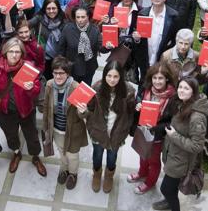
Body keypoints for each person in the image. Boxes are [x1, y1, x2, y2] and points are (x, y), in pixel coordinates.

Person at [0, 38, 47, 176]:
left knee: (32, 136)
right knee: (11, 135)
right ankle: (17, 153)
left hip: (26, 110)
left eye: (17, 52)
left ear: (22, 53)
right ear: (5, 53)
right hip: (5, 111)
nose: (14, 55)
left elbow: (37, 90)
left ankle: (35, 157)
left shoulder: (28, 67)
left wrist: (31, 88)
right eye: (11, 51)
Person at [151, 77, 208, 211]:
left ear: (193, 92)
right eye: (180, 87)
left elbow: (197, 146)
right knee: (171, 188)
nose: (181, 91)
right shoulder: (182, 103)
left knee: (165, 188)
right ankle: (168, 201)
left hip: (181, 161)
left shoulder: (197, 117)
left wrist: (174, 136)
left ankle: (173, 206)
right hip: (172, 154)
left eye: (186, 88)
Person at [77, 60, 136, 194]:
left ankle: (109, 176)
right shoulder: (96, 88)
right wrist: (82, 112)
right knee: (97, 155)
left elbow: (131, 112)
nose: (112, 79)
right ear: (104, 75)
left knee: (112, 157)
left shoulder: (129, 91)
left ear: (121, 77)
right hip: (98, 131)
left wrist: (136, 109)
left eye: (116, 76)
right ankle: (97, 175)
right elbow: (89, 110)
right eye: (109, 76)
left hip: (117, 134)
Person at [127, 64, 176, 194]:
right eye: (155, 78)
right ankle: (141, 173)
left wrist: (156, 127)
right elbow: (138, 98)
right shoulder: (146, 88)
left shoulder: (173, 97)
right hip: (143, 130)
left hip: (158, 135)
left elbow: (172, 122)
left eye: (161, 78)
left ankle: (150, 182)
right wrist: (137, 104)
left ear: (167, 79)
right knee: (142, 153)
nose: (157, 81)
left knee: (153, 161)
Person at [42, 56, 88, 189]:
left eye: (61, 73)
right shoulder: (50, 84)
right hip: (56, 129)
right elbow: (46, 106)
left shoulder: (77, 88)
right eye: (55, 73)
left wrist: (82, 110)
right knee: (62, 152)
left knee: (72, 155)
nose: (58, 76)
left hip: (72, 131)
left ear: (68, 74)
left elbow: (84, 114)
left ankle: (73, 174)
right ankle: (64, 169)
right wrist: (46, 127)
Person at [131, 0, 178, 80]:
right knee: (144, 83)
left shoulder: (173, 16)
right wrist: (136, 39)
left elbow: (175, 39)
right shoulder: (143, 13)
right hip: (145, 58)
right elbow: (137, 40)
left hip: (162, 59)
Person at [58, 7, 112, 85]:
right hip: (71, 68)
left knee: (85, 92)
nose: (80, 20)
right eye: (78, 17)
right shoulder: (68, 29)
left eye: (83, 17)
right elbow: (61, 49)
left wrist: (107, 47)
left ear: (88, 17)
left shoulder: (94, 29)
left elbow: (100, 47)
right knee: (71, 92)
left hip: (89, 68)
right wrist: (61, 66)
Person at [29, 0, 67, 80]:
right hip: (44, 57)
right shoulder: (39, 18)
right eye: (48, 8)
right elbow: (25, 26)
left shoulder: (64, 21)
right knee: (46, 81)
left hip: (59, 58)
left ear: (58, 8)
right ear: (44, 9)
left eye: (54, 8)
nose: (51, 11)